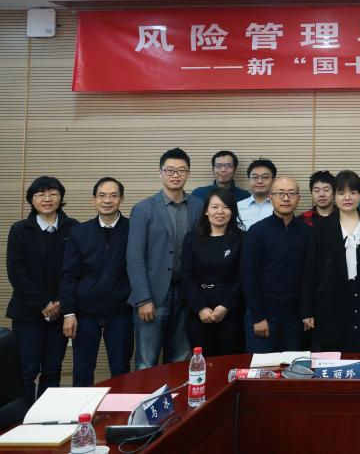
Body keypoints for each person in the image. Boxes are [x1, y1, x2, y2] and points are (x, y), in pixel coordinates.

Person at [126, 148, 203, 369]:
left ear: (188, 174)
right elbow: (134, 257)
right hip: (153, 295)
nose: (175, 175)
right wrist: (143, 299)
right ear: (160, 173)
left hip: (186, 295)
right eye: (170, 170)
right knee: (147, 362)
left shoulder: (198, 205)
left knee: (180, 360)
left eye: (181, 170)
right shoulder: (143, 209)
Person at [6, 176, 78, 400]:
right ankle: (23, 417)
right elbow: (16, 272)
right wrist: (44, 302)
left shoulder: (73, 228)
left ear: (61, 198)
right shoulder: (19, 230)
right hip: (27, 313)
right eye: (40, 194)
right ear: (31, 200)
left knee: (52, 369)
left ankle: (46, 417)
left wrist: (61, 303)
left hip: (60, 312)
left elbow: (76, 269)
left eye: (53, 194)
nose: (47, 199)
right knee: (26, 371)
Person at [302, 171, 360, 352]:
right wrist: (307, 310)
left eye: (353, 192)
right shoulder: (321, 228)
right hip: (331, 299)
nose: (347, 198)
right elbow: (310, 270)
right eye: (341, 193)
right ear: (334, 196)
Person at [60, 177, 132, 386]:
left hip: (121, 312)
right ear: (93, 200)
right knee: (82, 370)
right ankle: (82, 408)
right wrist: (68, 312)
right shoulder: (79, 232)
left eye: (113, 195)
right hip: (85, 313)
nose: (107, 200)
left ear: (121, 199)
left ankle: (119, 406)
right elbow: (69, 274)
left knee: (121, 369)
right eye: (102, 195)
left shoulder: (133, 229)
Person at [242, 176, 310, 352]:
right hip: (264, 315)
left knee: (294, 366)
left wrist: (307, 312)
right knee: (263, 367)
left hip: (295, 317)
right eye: (280, 193)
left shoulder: (307, 232)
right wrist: (258, 317)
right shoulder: (257, 232)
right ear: (271, 197)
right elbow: (248, 277)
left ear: (298, 198)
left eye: (291, 193)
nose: (286, 198)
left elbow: (310, 275)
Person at [181, 189, 245, 357]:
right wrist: (200, 308)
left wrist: (226, 306)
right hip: (198, 310)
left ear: (233, 211)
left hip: (231, 309)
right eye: (214, 207)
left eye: (226, 207)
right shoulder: (192, 238)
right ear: (206, 211)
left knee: (229, 360)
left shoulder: (242, 238)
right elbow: (186, 276)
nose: (220, 212)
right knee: (202, 360)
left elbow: (243, 277)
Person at [238, 158, 276, 229]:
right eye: (255, 177)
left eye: (265, 177)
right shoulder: (238, 207)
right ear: (249, 180)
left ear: (273, 180)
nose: (259, 181)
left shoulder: (281, 206)